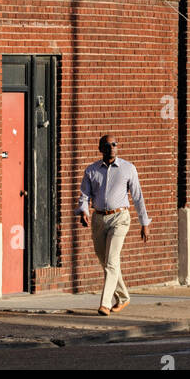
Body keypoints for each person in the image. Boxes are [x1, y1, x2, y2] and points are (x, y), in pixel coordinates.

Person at [77, 133, 150, 315]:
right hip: (99, 218)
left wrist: (144, 223)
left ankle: (105, 303)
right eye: (107, 145)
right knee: (106, 262)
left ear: (118, 147)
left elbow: (137, 197)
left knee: (111, 262)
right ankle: (124, 296)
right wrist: (84, 211)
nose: (111, 148)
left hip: (120, 218)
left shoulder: (128, 168)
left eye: (114, 144)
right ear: (100, 148)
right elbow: (84, 195)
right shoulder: (91, 170)